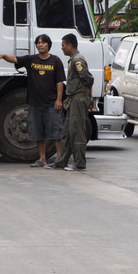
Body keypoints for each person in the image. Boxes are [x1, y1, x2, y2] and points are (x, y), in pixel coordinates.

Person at [0, 34, 65, 168]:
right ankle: (42, 159)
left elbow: (59, 82)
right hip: (35, 103)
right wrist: (4, 56)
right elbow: (15, 59)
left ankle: (60, 158)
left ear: (48, 45)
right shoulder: (31, 60)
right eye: (38, 43)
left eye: (43, 43)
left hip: (51, 103)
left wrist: (59, 99)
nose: (40, 45)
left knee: (56, 131)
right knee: (38, 132)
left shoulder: (55, 61)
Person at [54, 33, 94, 171]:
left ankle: (79, 163)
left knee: (77, 132)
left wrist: (87, 95)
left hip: (78, 99)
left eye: (63, 45)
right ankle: (61, 161)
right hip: (73, 99)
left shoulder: (78, 60)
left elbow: (88, 78)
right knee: (67, 132)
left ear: (70, 45)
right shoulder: (73, 59)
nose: (62, 48)